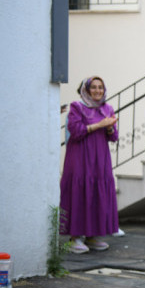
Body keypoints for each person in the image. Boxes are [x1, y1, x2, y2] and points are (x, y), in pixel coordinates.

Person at [59, 76, 120, 254]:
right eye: (93, 87)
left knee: (96, 192)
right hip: (79, 156)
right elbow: (76, 132)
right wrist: (99, 124)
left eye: (100, 87)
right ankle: (74, 237)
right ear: (85, 89)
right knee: (79, 191)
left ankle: (92, 235)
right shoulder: (76, 107)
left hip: (100, 158)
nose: (97, 90)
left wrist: (109, 127)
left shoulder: (107, 108)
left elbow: (113, 137)